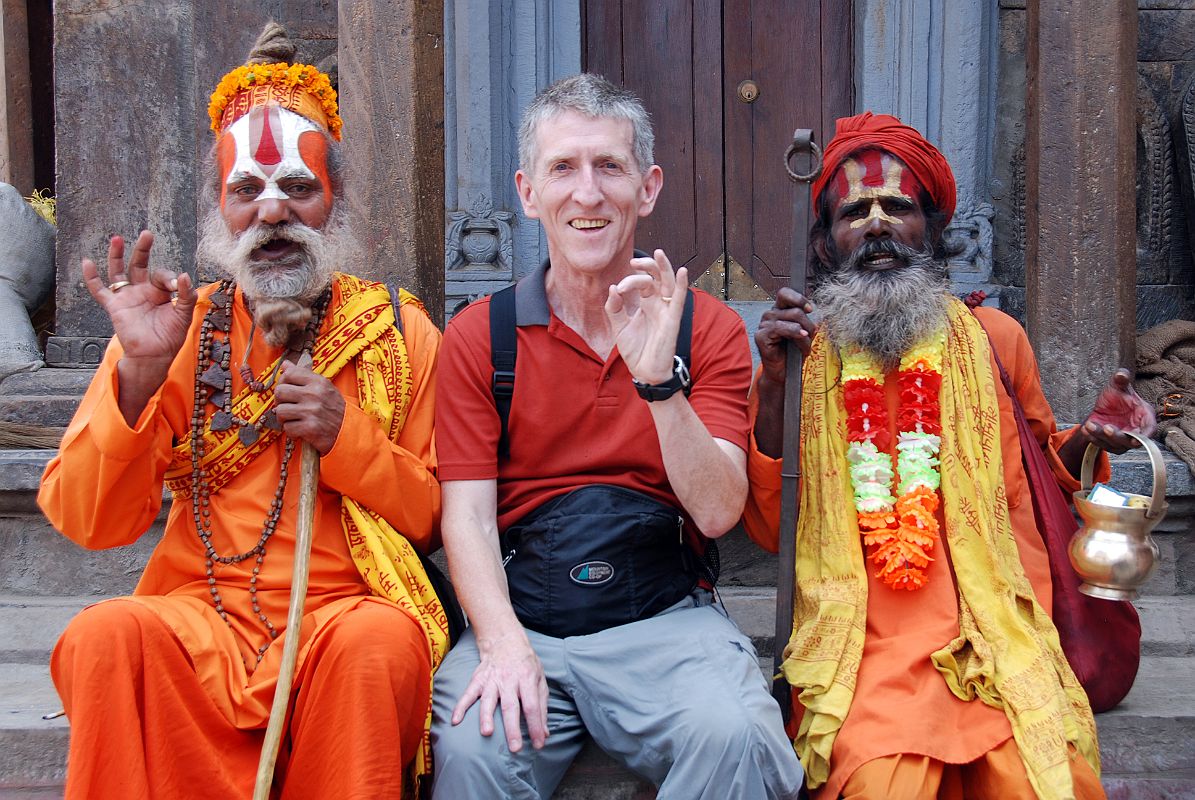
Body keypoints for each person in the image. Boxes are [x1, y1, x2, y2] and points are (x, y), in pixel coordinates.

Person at [38, 24, 449, 799]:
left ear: (336, 201)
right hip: (200, 619)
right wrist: (137, 374)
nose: (272, 213)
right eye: (246, 192)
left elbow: (436, 518)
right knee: (103, 636)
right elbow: (86, 522)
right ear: (217, 212)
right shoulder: (174, 328)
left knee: (378, 643)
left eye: (298, 188)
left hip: (336, 618)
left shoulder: (397, 329)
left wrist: (346, 438)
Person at [744, 111, 1154, 800]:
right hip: (864, 647)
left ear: (929, 230)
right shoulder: (800, 357)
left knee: (1043, 782)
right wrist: (778, 384)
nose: (876, 225)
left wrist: (1091, 436)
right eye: (853, 212)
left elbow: (1040, 480)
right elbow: (768, 526)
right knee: (878, 782)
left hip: (990, 630)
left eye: (897, 207)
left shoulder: (996, 338)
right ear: (823, 244)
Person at [429, 73, 804, 799]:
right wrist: (501, 644)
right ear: (527, 192)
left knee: (737, 738)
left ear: (648, 186)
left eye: (609, 166)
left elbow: (719, 511)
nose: (588, 193)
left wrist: (659, 381)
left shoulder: (710, 330)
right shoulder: (481, 336)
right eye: (562, 168)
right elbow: (467, 517)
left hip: (662, 620)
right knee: (472, 756)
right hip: (525, 618)